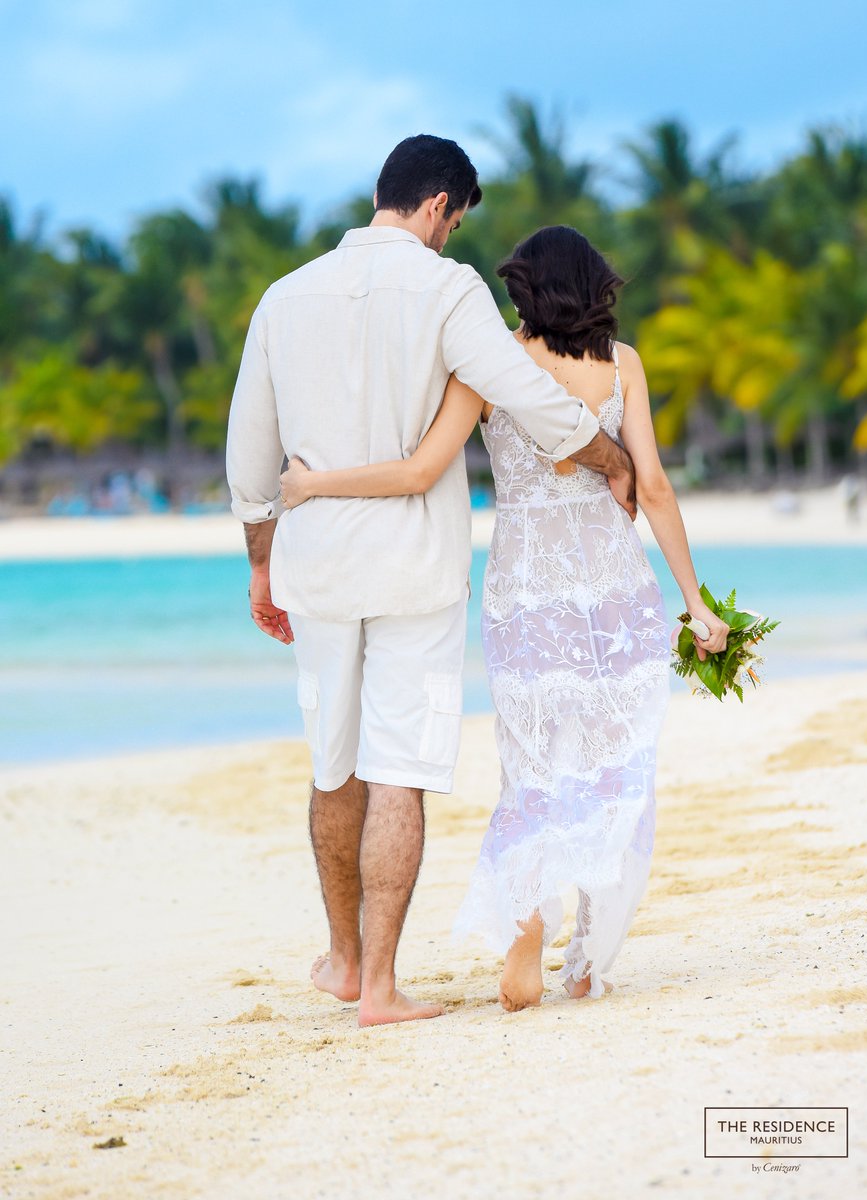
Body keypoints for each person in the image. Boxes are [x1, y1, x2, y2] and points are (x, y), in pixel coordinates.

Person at [226, 138, 638, 1028]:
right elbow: (524, 395)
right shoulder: (447, 291)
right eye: (454, 221)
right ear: (438, 204)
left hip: (317, 563)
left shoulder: (283, 298)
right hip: (412, 567)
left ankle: (340, 961)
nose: (451, 238)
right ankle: (379, 988)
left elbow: (250, 457)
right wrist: (610, 457)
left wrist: (262, 562)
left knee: (333, 768)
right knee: (398, 774)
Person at [279, 225, 729, 1012]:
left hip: (524, 590)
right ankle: (587, 956)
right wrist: (697, 603)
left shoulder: (492, 367)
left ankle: (528, 918)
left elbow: (421, 468)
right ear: (596, 288)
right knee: (614, 761)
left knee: (532, 767)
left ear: (522, 291)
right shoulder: (622, 366)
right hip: (613, 591)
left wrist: (319, 485)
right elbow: (651, 487)